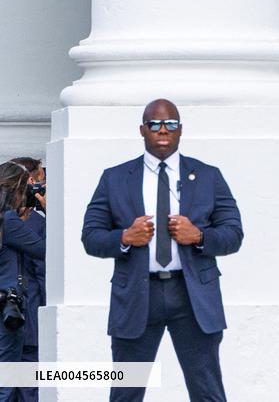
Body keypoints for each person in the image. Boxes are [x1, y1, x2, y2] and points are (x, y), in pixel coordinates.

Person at [82, 99, 243, 402]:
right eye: (154, 124)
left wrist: (198, 236)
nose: (162, 130)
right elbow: (91, 237)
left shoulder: (209, 176)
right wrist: (125, 237)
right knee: (126, 392)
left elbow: (233, 235)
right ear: (142, 130)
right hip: (137, 296)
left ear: (180, 129)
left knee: (207, 391)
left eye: (170, 123)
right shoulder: (114, 178)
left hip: (192, 296)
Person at [0, 161, 45, 402]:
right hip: (6, 312)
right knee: (6, 384)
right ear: (16, 190)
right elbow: (46, 250)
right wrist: (49, 211)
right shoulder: (9, 220)